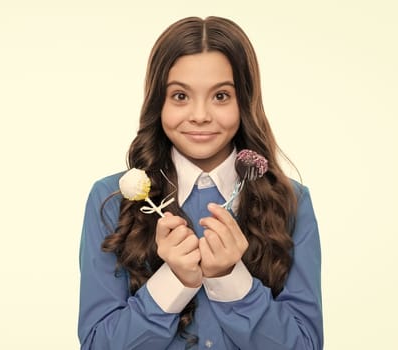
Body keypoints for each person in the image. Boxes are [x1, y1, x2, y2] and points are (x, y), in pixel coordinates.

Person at [77, 16, 323, 349]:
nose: (200, 115)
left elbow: (304, 345)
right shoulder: (110, 199)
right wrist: (174, 280)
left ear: (244, 101)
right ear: (158, 101)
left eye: (221, 96)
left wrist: (230, 278)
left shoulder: (290, 200)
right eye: (180, 96)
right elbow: (97, 344)